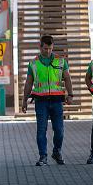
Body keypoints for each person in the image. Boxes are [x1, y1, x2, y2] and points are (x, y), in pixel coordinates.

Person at [21, 35, 74, 166]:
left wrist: (70, 94)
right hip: (41, 101)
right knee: (41, 130)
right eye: (45, 49)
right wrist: (24, 101)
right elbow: (28, 83)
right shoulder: (33, 63)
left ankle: (56, 151)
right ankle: (42, 156)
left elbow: (67, 78)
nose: (48, 51)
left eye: (50, 49)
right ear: (40, 47)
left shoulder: (61, 61)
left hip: (57, 101)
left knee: (59, 131)